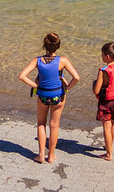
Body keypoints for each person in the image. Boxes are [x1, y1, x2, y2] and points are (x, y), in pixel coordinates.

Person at [19, 31, 78, 164]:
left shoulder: (37, 60)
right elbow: (77, 77)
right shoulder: (63, 61)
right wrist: (67, 88)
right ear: (58, 46)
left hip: (43, 95)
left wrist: (35, 86)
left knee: (41, 124)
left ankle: (40, 155)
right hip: (58, 96)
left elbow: (22, 76)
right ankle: (51, 156)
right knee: (54, 126)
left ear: (44, 45)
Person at [93, 40, 114, 159]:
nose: (101, 57)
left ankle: (109, 154)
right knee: (113, 122)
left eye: (102, 55)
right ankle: (109, 145)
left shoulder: (103, 71)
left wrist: (96, 93)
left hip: (106, 101)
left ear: (107, 56)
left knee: (106, 126)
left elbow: (96, 90)